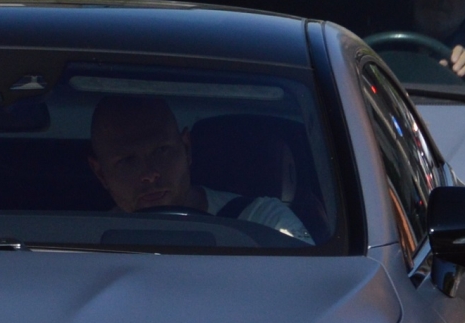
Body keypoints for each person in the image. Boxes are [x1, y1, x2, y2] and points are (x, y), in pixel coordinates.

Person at [84, 95, 311, 241]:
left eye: (161, 151)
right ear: (101, 173)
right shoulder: (83, 245)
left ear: (187, 148)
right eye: (127, 160)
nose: (149, 173)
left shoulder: (261, 223)